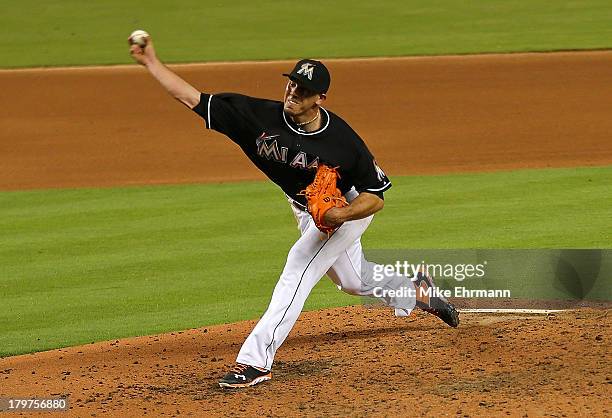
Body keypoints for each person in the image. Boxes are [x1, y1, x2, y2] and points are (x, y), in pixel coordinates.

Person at [128, 34, 459, 389]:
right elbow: (192, 98)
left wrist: (340, 216)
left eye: (302, 90)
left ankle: (255, 362)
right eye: (291, 84)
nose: (292, 93)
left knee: (298, 267)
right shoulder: (257, 117)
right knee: (353, 280)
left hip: (347, 208)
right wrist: (151, 62)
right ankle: (416, 289)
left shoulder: (342, 140)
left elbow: (375, 196)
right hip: (309, 210)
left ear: (319, 99)